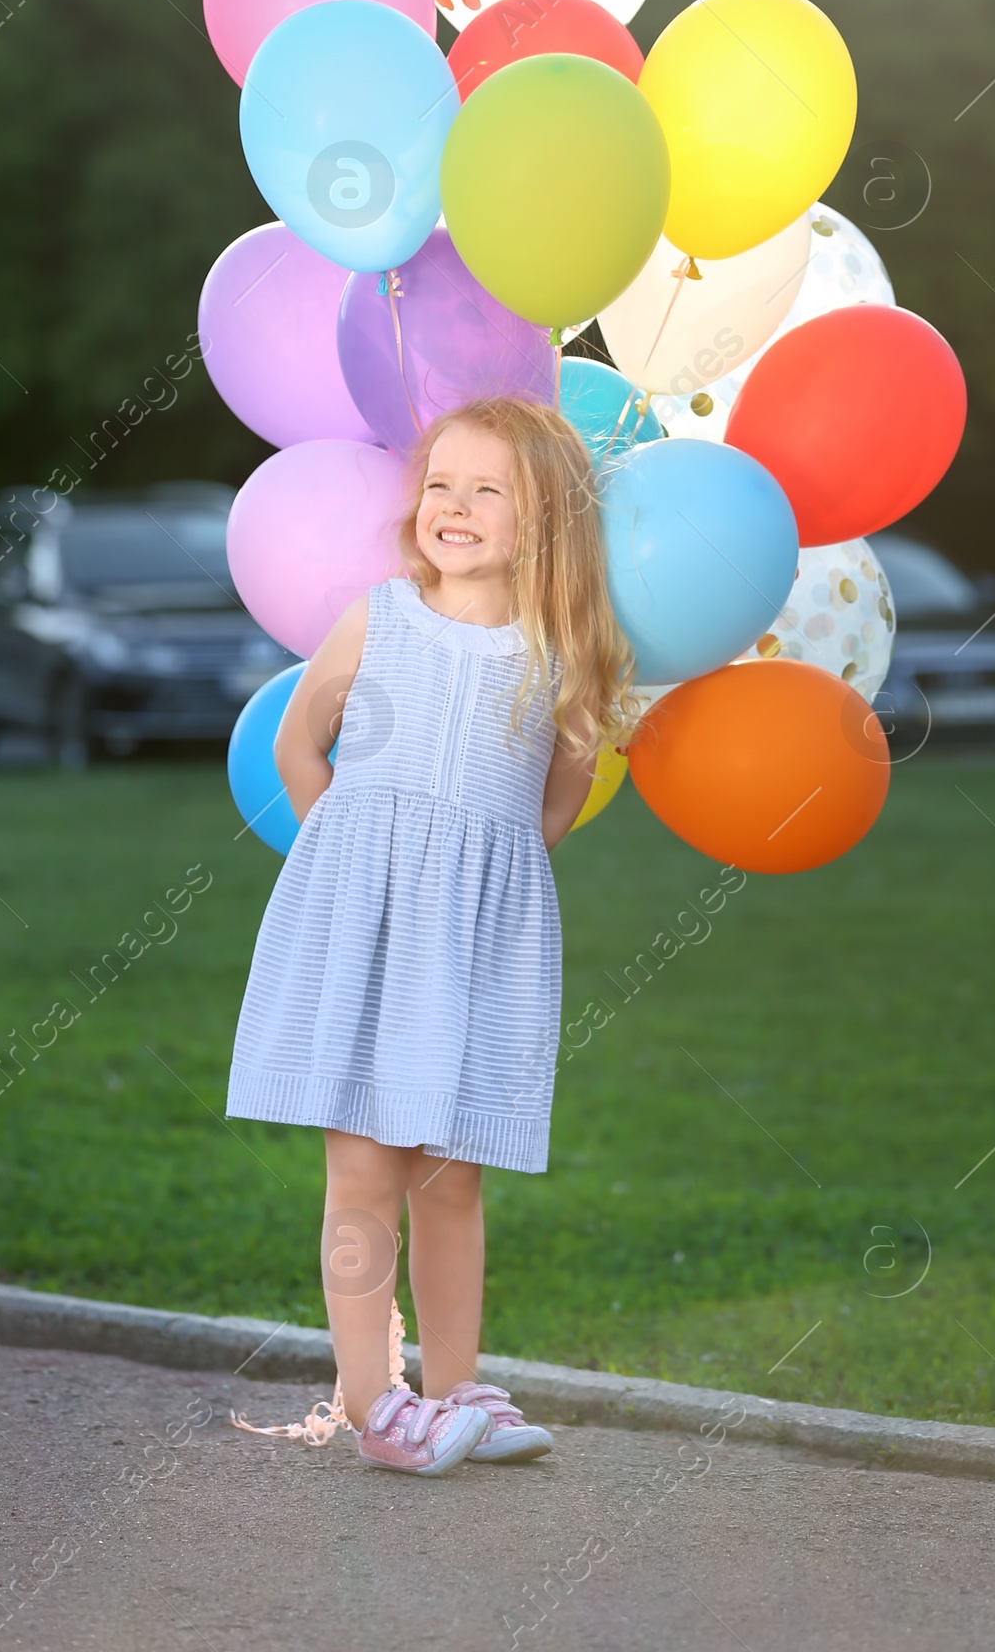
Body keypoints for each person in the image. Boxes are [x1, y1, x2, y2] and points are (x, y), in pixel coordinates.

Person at [226, 395, 631, 1476]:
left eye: (487, 488)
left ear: (543, 519)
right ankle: (376, 1407)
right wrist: (351, 866)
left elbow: (549, 809)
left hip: (476, 946)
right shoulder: (381, 619)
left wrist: (471, 881)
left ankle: (457, 1388)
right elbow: (299, 747)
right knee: (362, 1171)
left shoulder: (562, 660)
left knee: (453, 1177)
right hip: (363, 929)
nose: (453, 506)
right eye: (440, 483)